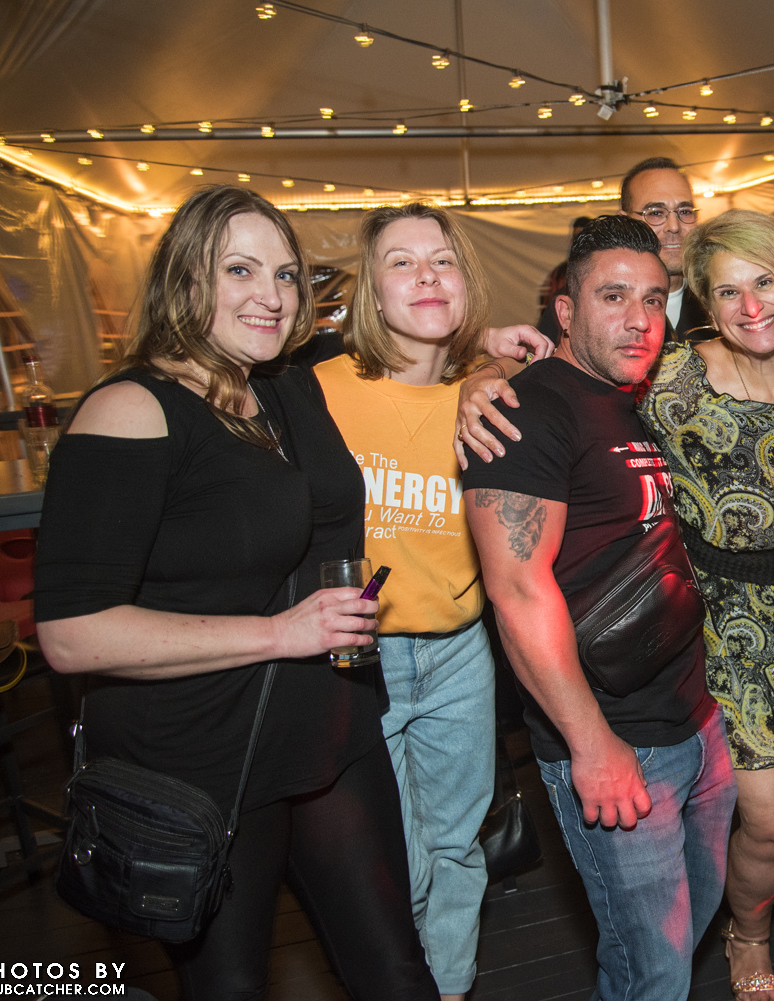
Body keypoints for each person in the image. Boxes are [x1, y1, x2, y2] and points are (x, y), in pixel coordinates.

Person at [32, 185, 440, 1000]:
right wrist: (281, 633)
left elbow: (409, 347)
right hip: (203, 756)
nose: (272, 295)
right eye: (240, 270)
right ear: (185, 280)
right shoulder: (130, 411)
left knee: (397, 974)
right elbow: (72, 633)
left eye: (285, 274)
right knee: (231, 987)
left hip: (329, 730)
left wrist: (494, 355)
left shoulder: (285, 385)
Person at [462, 215, 736, 1001]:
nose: (639, 318)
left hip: (693, 716)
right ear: (566, 310)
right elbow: (516, 589)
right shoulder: (529, 410)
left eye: (653, 299)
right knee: (652, 967)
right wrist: (590, 743)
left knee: (679, 937)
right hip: (617, 739)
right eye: (613, 296)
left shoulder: (635, 395)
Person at [634, 209, 774, 1001]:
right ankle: (751, 933)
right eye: (728, 291)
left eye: (764, 281)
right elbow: (572, 383)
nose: (751, 306)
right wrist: (485, 373)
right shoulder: (675, 375)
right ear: (704, 300)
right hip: (725, 624)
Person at [314, 203, 504, 1001]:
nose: (426, 276)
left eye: (442, 260)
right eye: (401, 261)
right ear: (372, 288)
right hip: (364, 655)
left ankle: (448, 987)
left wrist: (490, 368)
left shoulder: (490, 397)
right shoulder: (319, 390)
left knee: (458, 842)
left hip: (461, 649)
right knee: (393, 851)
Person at [537, 158, 713, 343]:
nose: (674, 226)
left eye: (685, 211)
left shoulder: (716, 298)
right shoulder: (580, 302)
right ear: (625, 220)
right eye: (655, 213)